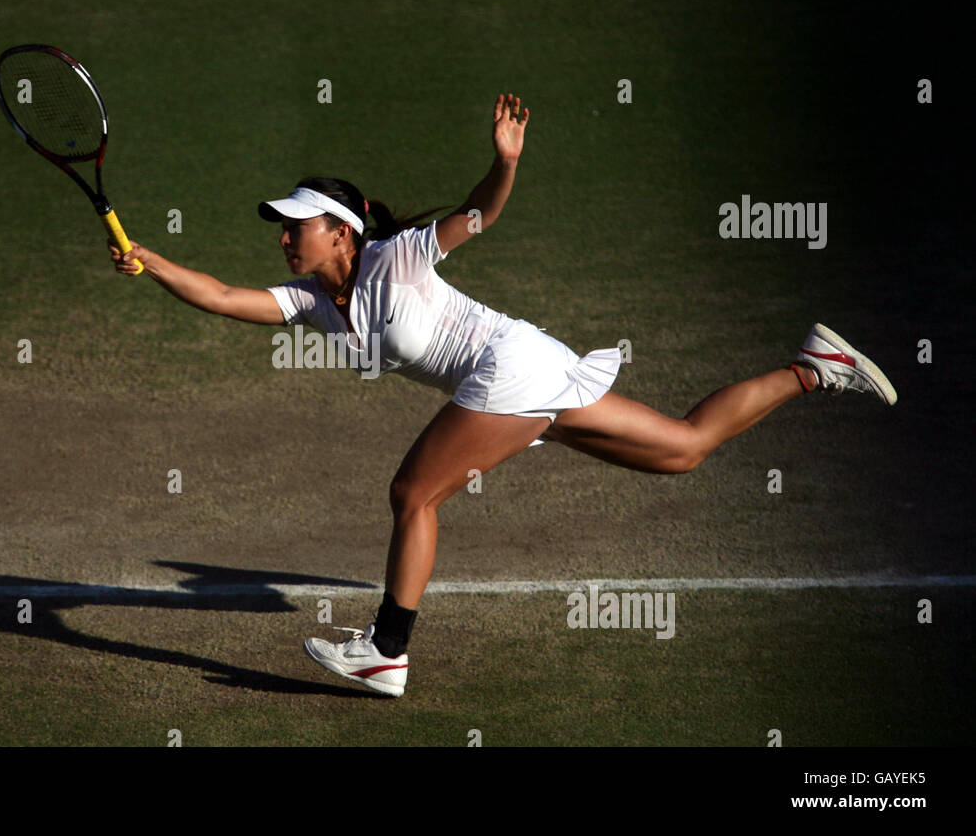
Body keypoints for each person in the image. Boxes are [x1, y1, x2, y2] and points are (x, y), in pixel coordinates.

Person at [108, 94, 896, 698]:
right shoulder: (318, 301)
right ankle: (813, 367)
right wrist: (148, 259)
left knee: (413, 492)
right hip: (527, 371)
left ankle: (386, 650)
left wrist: (506, 160)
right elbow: (219, 296)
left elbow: (476, 213)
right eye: (284, 227)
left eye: (299, 225)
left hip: (509, 369)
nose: (285, 236)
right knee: (683, 451)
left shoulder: (395, 259)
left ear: (343, 233)